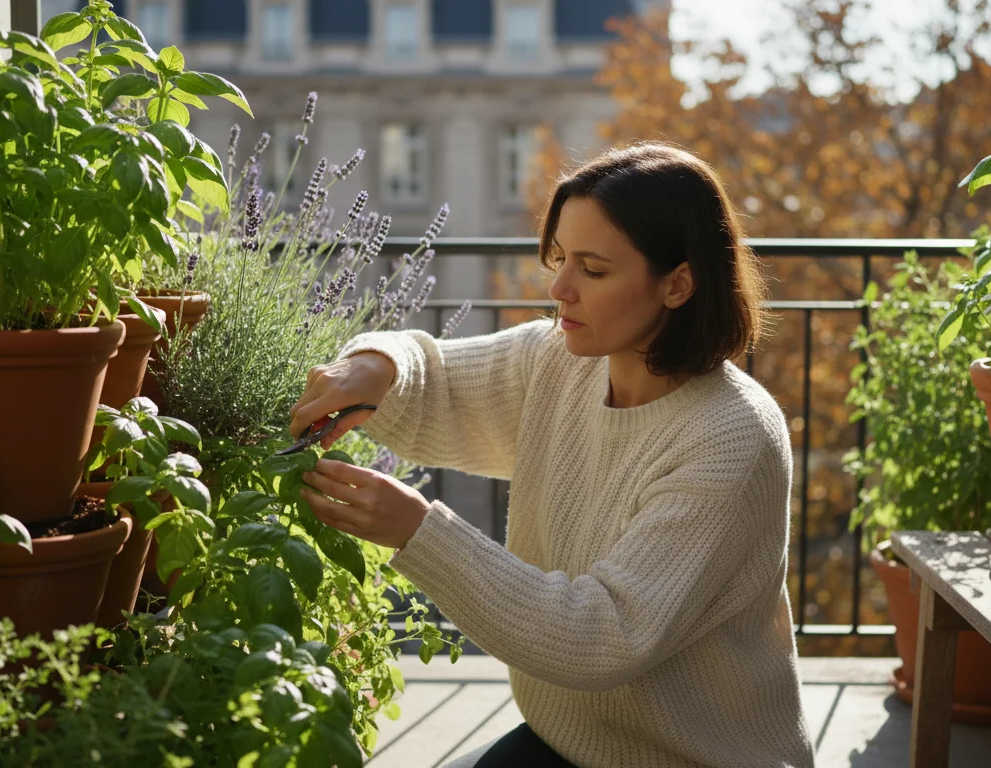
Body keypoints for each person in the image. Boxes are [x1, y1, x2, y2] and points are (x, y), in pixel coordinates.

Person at [290, 142, 814, 768]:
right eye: (560, 258)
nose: (560, 288)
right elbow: (432, 381)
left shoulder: (733, 436)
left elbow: (602, 635)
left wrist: (417, 531)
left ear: (677, 284)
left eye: (593, 271)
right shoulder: (559, 362)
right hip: (565, 741)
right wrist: (371, 365)